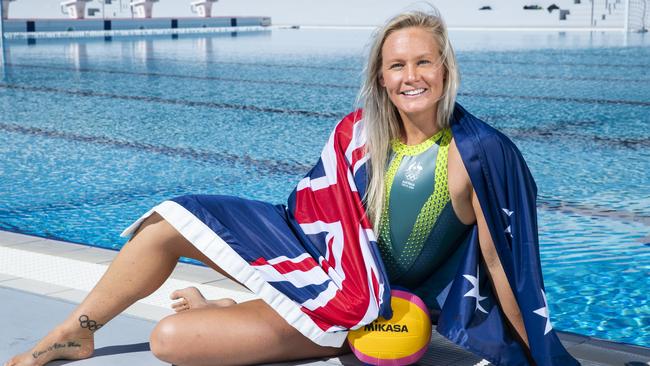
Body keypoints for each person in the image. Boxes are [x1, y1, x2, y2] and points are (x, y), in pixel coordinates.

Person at [5, 9, 578, 366]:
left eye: (423, 63)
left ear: (445, 68)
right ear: (381, 78)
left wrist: (538, 355)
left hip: (362, 312)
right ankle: (75, 333)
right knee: (168, 220)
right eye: (397, 66)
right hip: (319, 265)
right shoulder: (357, 134)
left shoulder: (478, 155)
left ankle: (242, 308)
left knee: (172, 341)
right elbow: (312, 217)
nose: (411, 78)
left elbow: (507, 265)